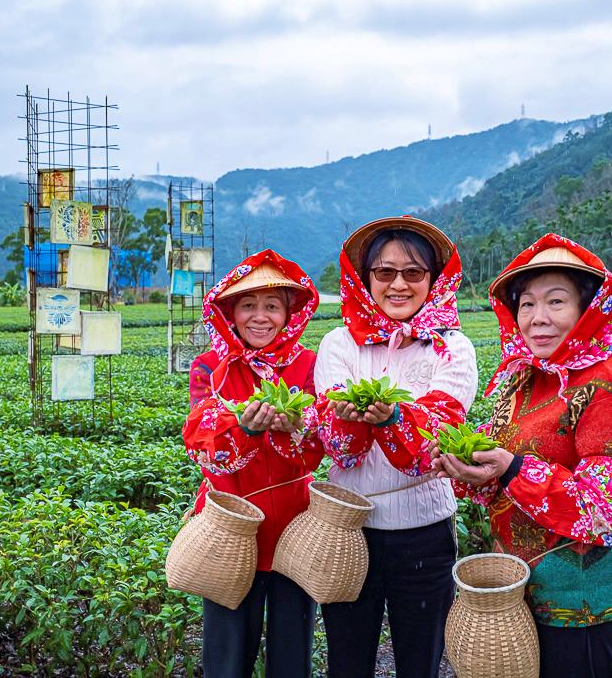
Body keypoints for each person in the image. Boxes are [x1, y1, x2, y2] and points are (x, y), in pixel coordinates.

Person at [432, 233, 612, 678]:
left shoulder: (608, 385)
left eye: (556, 302)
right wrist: (471, 467)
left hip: (588, 597)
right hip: (531, 586)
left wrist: (512, 468)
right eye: (527, 304)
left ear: (587, 309)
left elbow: (606, 512)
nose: (538, 318)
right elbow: (499, 454)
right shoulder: (527, 377)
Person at [313, 216, 478, 677]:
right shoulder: (338, 343)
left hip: (425, 529)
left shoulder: (453, 347)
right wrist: (360, 420)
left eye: (413, 273)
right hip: (349, 529)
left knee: (420, 660)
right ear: (365, 279)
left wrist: (393, 417)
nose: (398, 284)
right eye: (384, 272)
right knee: (347, 660)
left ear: (434, 279)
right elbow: (340, 447)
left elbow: (437, 436)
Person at [182, 249, 323, 678]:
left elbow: (321, 441)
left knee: (291, 654)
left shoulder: (308, 365)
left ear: (289, 313)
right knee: (227, 656)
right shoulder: (209, 367)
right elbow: (200, 435)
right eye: (248, 305)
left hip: (294, 529)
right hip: (230, 529)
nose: (260, 317)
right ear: (229, 312)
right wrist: (243, 425)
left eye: (272, 306)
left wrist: (298, 425)